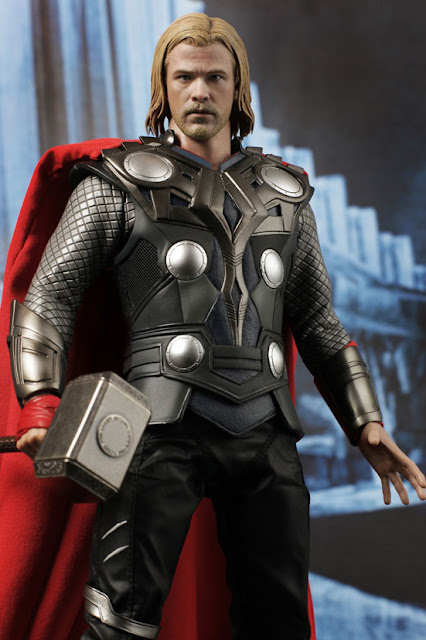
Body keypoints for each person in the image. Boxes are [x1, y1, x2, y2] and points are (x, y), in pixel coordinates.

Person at [5, 12, 425, 640]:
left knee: (278, 621)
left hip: (265, 431)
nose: (199, 91)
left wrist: (365, 423)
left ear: (238, 88)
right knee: (119, 619)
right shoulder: (115, 184)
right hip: (153, 427)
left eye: (214, 77)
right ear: (163, 88)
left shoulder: (286, 196)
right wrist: (41, 404)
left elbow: (317, 319)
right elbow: (50, 294)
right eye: (184, 77)